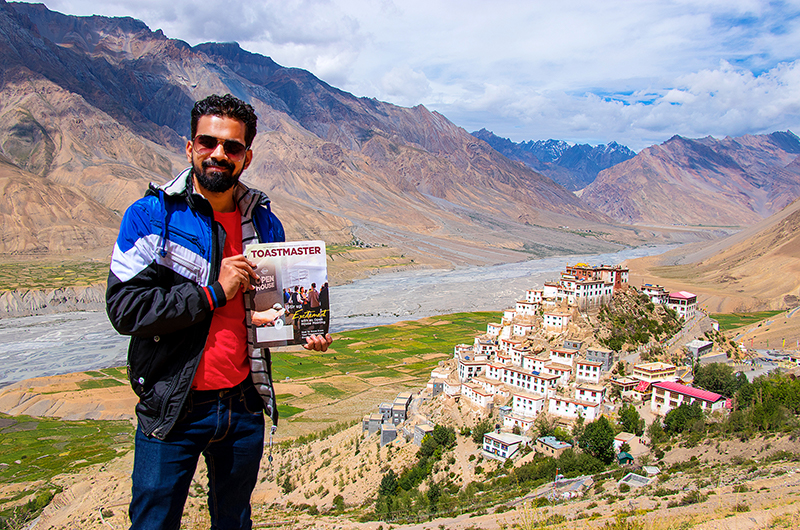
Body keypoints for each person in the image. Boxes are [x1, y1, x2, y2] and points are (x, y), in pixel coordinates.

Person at [106, 93, 332, 530]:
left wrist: (305, 331)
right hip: (173, 406)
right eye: (208, 142)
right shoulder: (152, 217)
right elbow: (125, 308)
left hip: (244, 404)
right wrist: (212, 293)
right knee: (153, 522)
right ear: (190, 147)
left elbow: (271, 309)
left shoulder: (265, 224)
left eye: (232, 147)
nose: (219, 154)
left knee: (234, 520)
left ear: (247, 157)